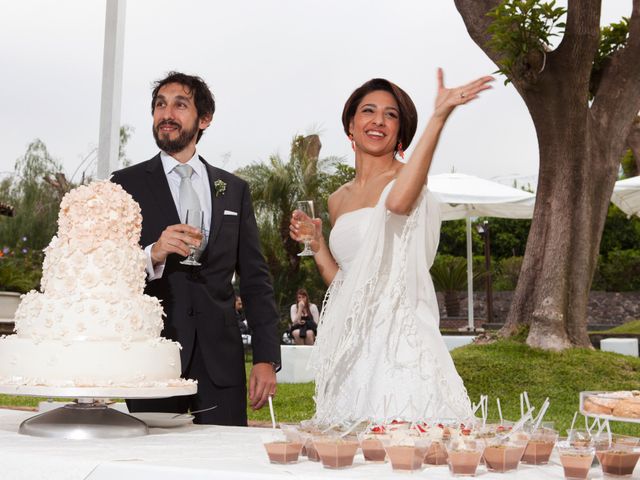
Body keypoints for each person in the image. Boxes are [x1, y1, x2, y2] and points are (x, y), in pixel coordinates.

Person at [290, 70, 493, 423]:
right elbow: (345, 283)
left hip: (400, 340)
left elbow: (396, 205)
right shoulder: (338, 199)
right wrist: (318, 244)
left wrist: (439, 116)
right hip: (354, 346)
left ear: (401, 131)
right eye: (368, 111)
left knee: (407, 443)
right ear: (350, 125)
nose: (378, 120)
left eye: (391, 114)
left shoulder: (407, 180)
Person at [111, 71, 280, 426]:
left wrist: (266, 357)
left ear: (204, 119)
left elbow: (255, 280)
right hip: (153, 358)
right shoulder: (124, 184)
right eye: (160, 105)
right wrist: (152, 254)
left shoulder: (233, 189)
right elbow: (105, 268)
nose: (166, 113)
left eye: (179, 105)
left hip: (222, 361)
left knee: (223, 462)